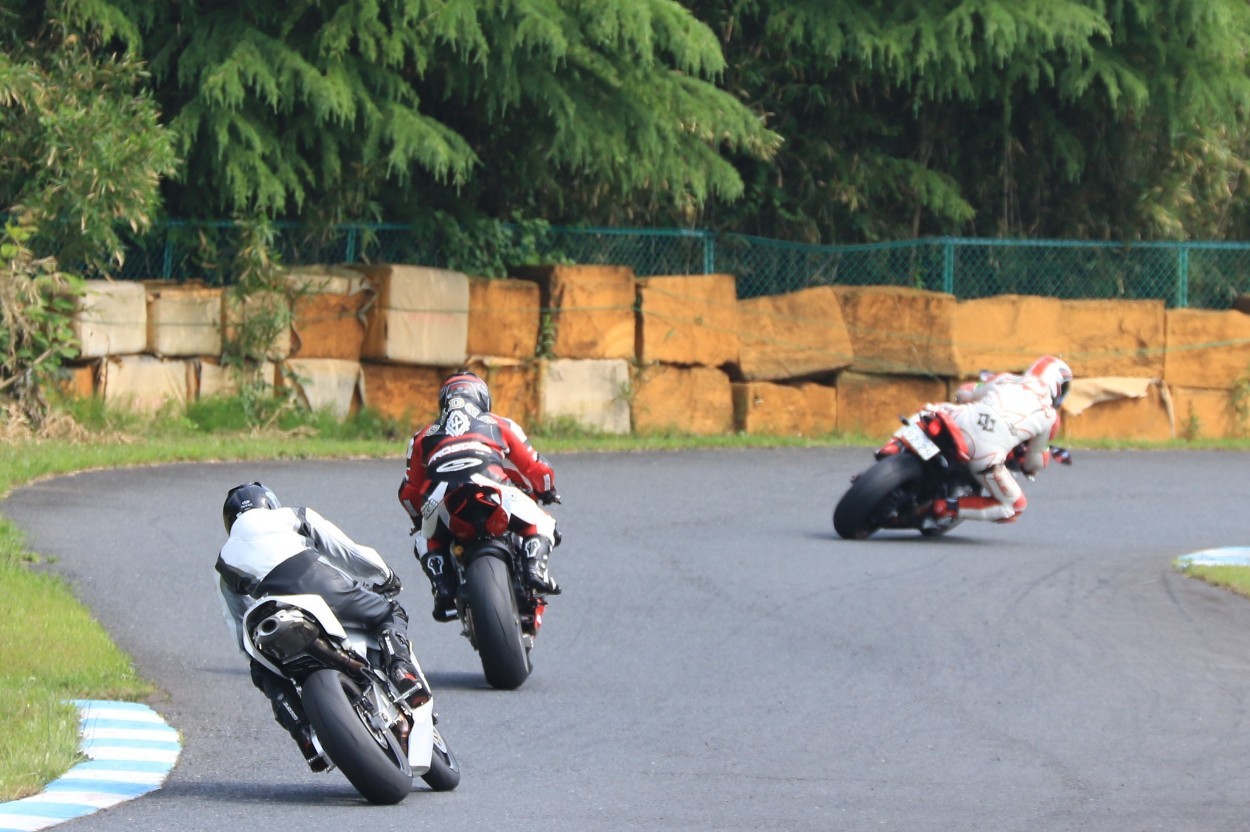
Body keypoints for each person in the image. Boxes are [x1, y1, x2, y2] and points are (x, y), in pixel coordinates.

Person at [215, 481, 428, 771]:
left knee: (262, 670)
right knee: (389, 613)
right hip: (320, 584)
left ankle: (303, 734)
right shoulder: (291, 515)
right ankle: (400, 668)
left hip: (269, 612)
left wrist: (259, 659)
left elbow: (239, 627)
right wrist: (384, 575)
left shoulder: (224, 561)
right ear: (269, 502)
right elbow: (346, 550)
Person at [398, 370, 561, 622]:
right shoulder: (500, 423)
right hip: (492, 485)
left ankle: (442, 587)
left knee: (425, 539)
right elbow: (537, 467)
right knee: (543, 522)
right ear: (483, 398)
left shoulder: (421, 436)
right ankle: (534, 569)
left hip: (440, 497)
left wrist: (418, 519)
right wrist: (547, 489)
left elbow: (408, 492)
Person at [925, 355, 1073, 524]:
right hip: (985, 452)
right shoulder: (1049, 416)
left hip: (958, 418)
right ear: (1057, 386)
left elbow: (964, 394)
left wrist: (970, 398)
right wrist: (1036, 462)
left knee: (928, 414)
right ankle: (944, 507)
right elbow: (1033, 462)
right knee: (1015, 507)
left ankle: (898, 446)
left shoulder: (1006, 378)